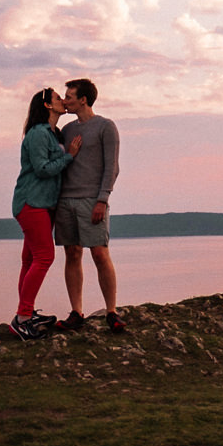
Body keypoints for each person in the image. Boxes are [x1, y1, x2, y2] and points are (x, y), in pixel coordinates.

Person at [53, 78, 124, 333]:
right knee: (72, 253)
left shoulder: (106, 127)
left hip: (91, 200)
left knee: (99, 253)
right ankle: (76, 312)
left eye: (69, 96)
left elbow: (112, 167)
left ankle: (112, 312)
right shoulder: (67, 130)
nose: (65, 100)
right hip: (65, 200)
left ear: (83, 99)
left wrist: (102, 200)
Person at [10, 87, 81, 341]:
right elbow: (41, 169)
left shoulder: (53, 134)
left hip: (43, 204)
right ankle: (23, 318)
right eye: (57, 99)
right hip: (32, 203)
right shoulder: (39, 134)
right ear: (48, 106)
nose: (63, 101)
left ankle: (24, 314)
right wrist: (69, 157)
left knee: (30, 261)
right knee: (44, 257)